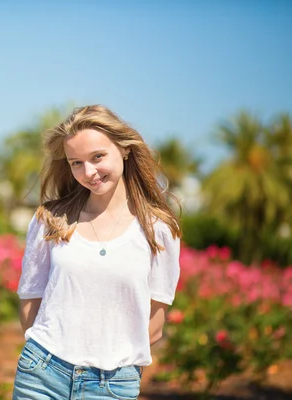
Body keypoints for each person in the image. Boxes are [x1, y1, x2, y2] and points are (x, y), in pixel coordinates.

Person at [12, 105, 181, 400]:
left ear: (125, 149)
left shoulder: (159, 230)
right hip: (41, 374)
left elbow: (154, 323)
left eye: (97, 157)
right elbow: (30, 300)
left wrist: (121, 371)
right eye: (76, 163)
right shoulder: (50, 220)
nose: (88, 172)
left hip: (114, 384)